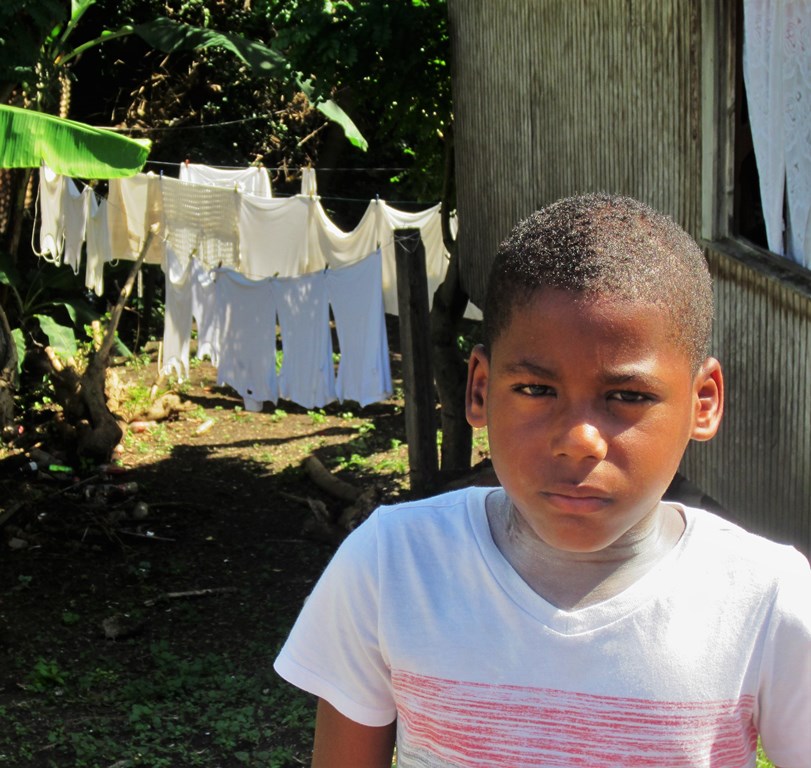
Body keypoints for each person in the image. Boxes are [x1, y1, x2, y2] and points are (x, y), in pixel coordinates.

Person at [274, 194, 811, 768]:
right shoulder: (393, 565)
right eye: (535, 389)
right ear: (479, 388)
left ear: (702, 402)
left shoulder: (765, 596)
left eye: (627, 396)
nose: (578, 440)